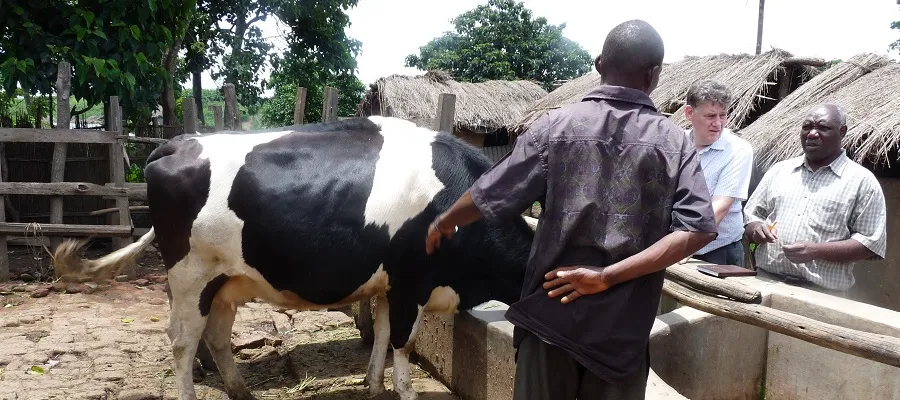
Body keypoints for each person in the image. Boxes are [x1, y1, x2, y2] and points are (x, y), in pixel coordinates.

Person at [424, 19, 717, 400]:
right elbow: (698, 228)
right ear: (654, 75)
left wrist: (444, 222)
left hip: (551, 321)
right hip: (621, 336)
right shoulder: (675, 143)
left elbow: (489, 193)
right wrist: (608, 277)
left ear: (598, 64)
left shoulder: (554, 126)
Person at [743, 104, 887, 296]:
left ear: (842, 132)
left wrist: (816, 251)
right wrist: (755, 228)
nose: (812, 133)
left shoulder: (861, 181)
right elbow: (751, 215)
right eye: (807, 127)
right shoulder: (780, 171)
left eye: (823, 128)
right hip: (766, 282)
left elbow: (870, 244)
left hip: (822, 294)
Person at [679, 80, 754, 266]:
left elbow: (720, 207)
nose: (718, 123)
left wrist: (683, 248)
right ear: (689, 113)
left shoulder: (738, 149)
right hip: (674, 245)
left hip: (718, 252)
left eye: (723, 115)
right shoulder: (675, 143)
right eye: (710, 116)